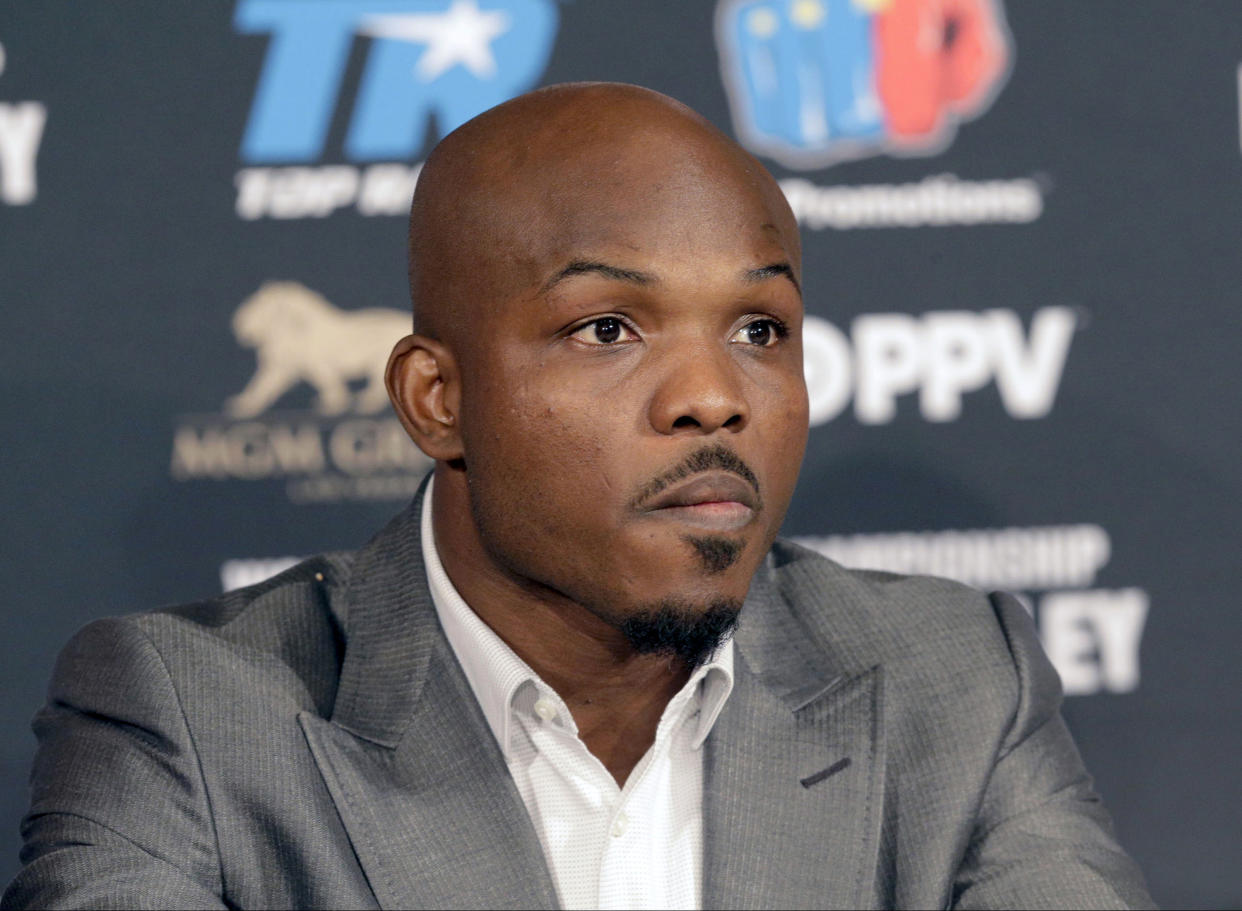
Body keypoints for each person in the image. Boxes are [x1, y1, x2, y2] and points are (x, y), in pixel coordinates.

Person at [2, 83, 1153, 911]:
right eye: (607, 327)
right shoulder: (191, 722)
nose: (714, 396)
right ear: (436, 399)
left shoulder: (953, 684)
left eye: (761, 328)